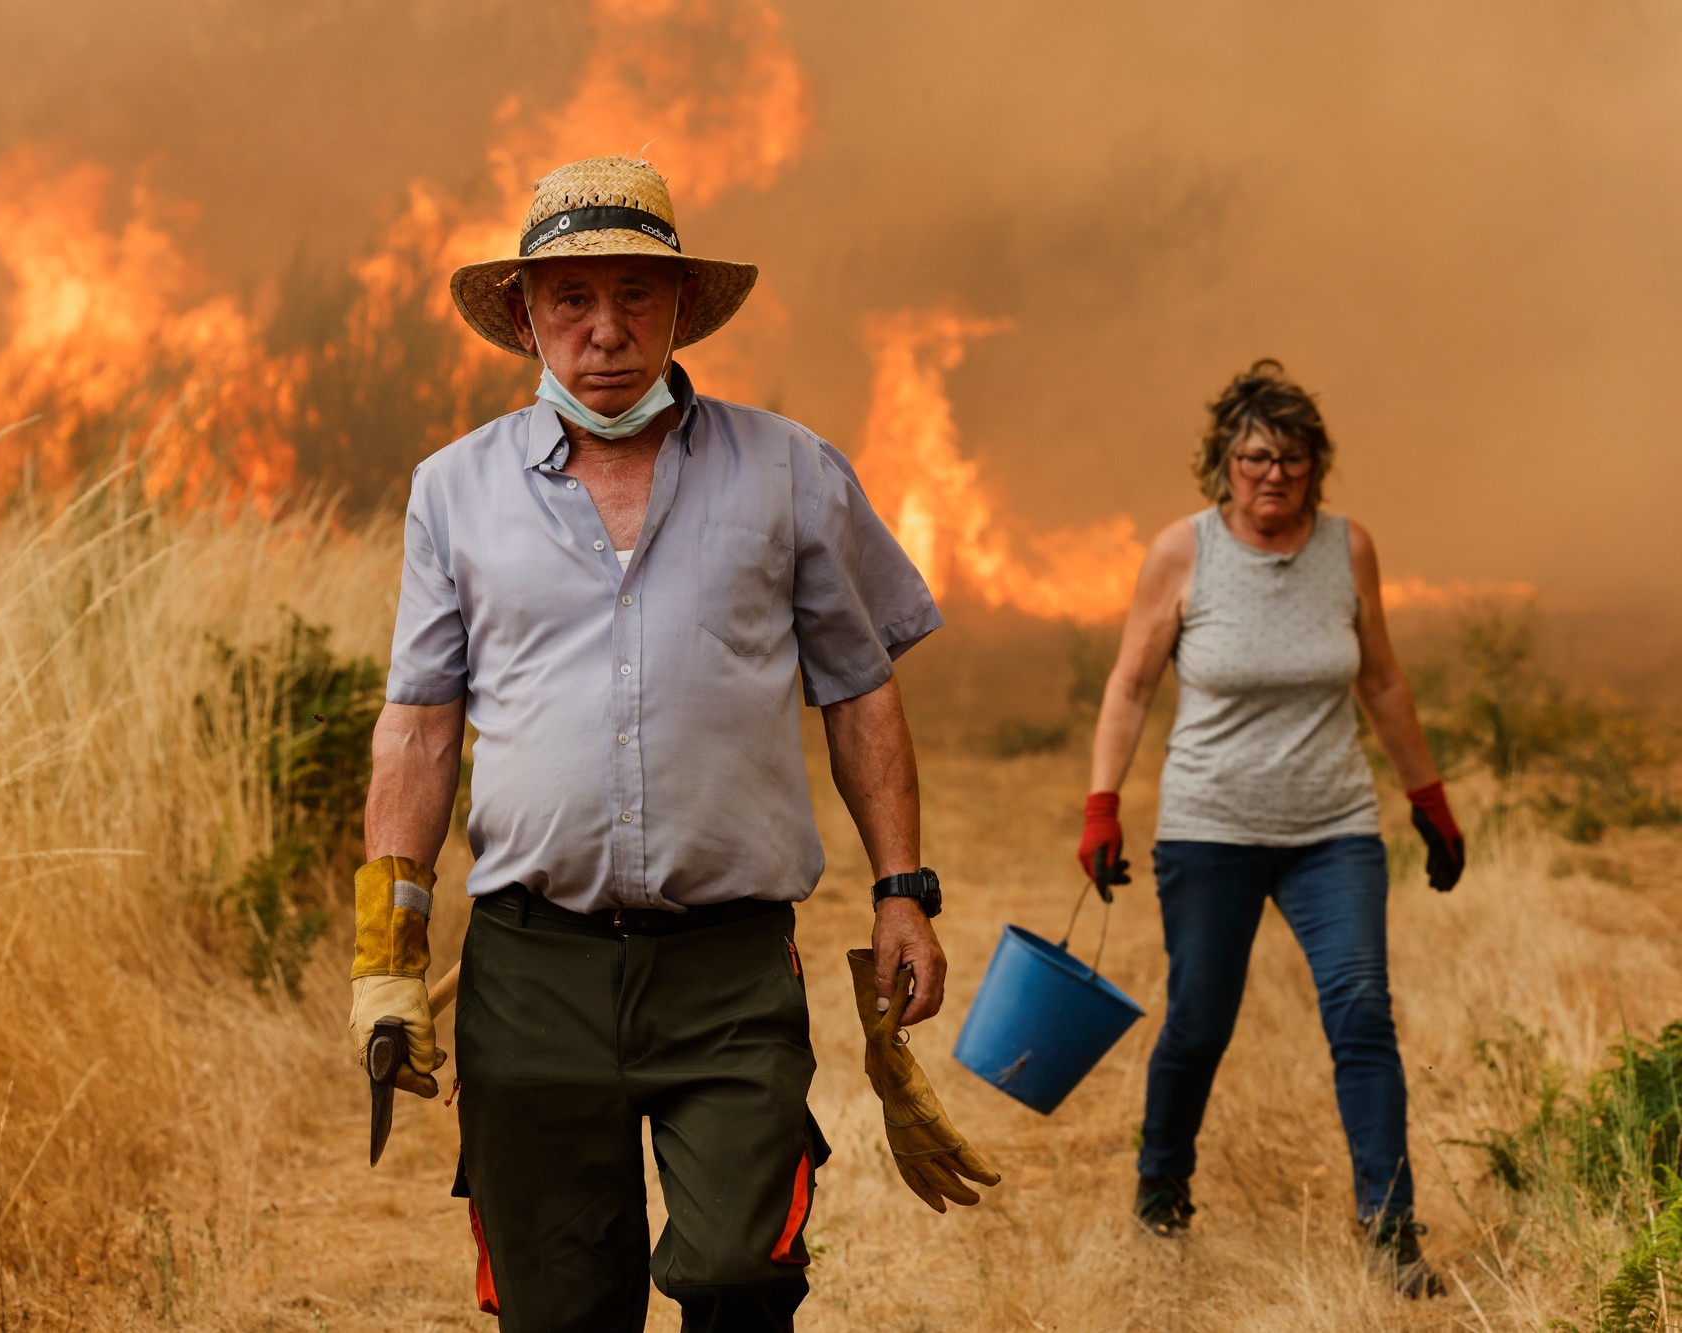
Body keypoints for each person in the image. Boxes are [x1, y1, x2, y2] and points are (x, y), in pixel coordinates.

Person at [349, 156, 997, 1332]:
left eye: (635, 295)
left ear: (682, 307)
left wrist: (903, 893)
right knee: (555, 1307)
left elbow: (858, 690)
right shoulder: (452, 493)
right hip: (529, 973)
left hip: (730, 972)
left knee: (739, 1277)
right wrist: (386, 948)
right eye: (572, 299)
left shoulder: (790, 470)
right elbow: (420, 721)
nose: (606, 331)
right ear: (524, 318)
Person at [1078, 359, 1465, 1298]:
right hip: (1210, 829)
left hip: (1333, 827)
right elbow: (1131, 684)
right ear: (1224, 463)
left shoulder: (1349, 549)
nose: (1273, 476)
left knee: (1362, 1013)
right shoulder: (1184, 552)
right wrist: (1103, 804)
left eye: (1291, 458)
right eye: (1254, 456)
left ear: (1315, 467)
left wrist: (1427, 798)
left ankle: (1391, 1227)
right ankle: (1163, 1183)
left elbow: (1379, 678)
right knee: (1202, 1019)